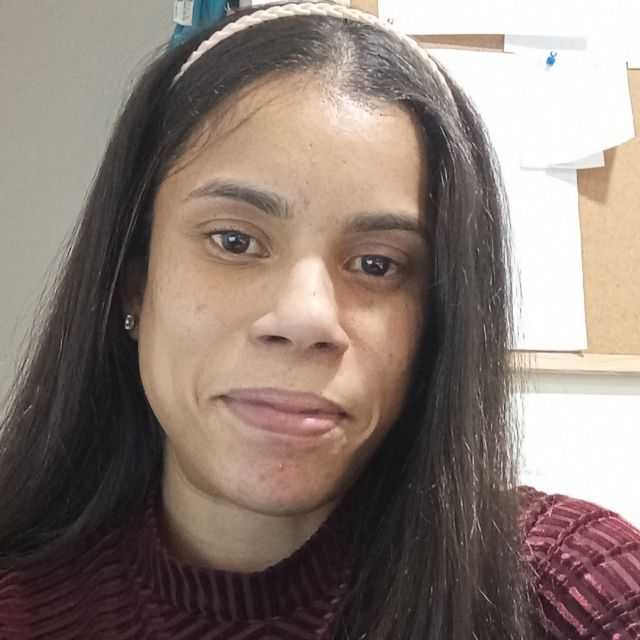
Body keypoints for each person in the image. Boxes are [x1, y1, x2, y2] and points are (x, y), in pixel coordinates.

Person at [0, 2, 638, 639]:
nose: (305, 318)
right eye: (234, 241)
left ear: (438, 320)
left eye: (377, 264)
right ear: (134, 283)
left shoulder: (567, 585)